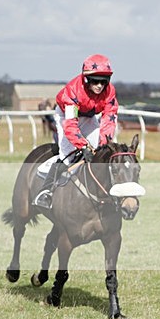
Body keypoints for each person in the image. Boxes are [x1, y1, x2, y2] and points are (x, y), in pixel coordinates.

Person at [33, 54, 119, 209]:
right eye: (95, 81)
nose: (100, 86)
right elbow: (71, 125)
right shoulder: (73, 91)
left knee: (101, 152)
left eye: (104, 81)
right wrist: (83, 146)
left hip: (89, 116)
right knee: (68, 155)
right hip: (66, 115)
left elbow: (109, 119)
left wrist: (104, 144)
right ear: (86, 79)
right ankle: (46, 192)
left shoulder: (110, 92)